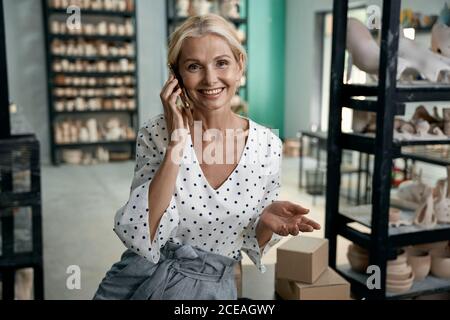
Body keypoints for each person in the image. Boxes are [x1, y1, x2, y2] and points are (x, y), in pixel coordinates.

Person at [93, 13, 320, 300]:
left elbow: (251, 243)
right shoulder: (155, 134)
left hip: (212, 289)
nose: (210, 78)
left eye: (222, 63)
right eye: (193, 66)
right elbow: (141, 232)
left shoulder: (267, 145)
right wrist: (176, 143)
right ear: (176, 75)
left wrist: (264, 222)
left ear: (240, 66)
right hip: (139, 281)